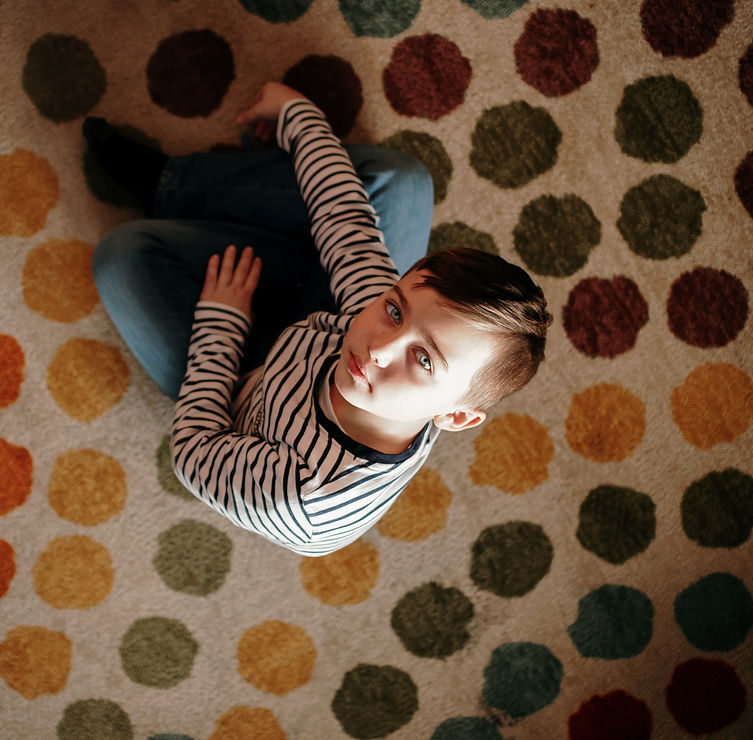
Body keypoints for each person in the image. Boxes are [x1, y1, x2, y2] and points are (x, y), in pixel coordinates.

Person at [88, 82, 552, 556]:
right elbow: (347, 224)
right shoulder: (377, 324)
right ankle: (176, 186)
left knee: (122, 257)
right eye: (395, 309)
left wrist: (221, 322)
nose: (380, 347)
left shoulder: (299, 497)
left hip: (234, 384)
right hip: (313, 327)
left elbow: (193, 452)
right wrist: (297, 113)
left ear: (453, 415)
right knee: (400, 179)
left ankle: (184, 190)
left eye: (424, 361)